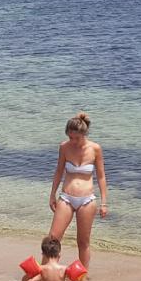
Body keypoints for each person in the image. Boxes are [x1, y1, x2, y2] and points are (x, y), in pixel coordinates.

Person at [47, 112, 108, 270]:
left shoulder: (95, 149)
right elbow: (59, 171)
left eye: (76, 138)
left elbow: (101, 176)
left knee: (83, 242)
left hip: (87, 200)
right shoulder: (64, 147)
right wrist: (52, 195)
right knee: (53, 238)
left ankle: (81, 277)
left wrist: (104, 203)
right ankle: (45, 273)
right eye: (70, 137)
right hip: (66, 197)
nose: (73, 141)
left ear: (84, 134)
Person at [19, 236, 88, 281]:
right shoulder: (64, 269)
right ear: (59, 254)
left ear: (43, 254)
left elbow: (26, 277)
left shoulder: (42, 268)